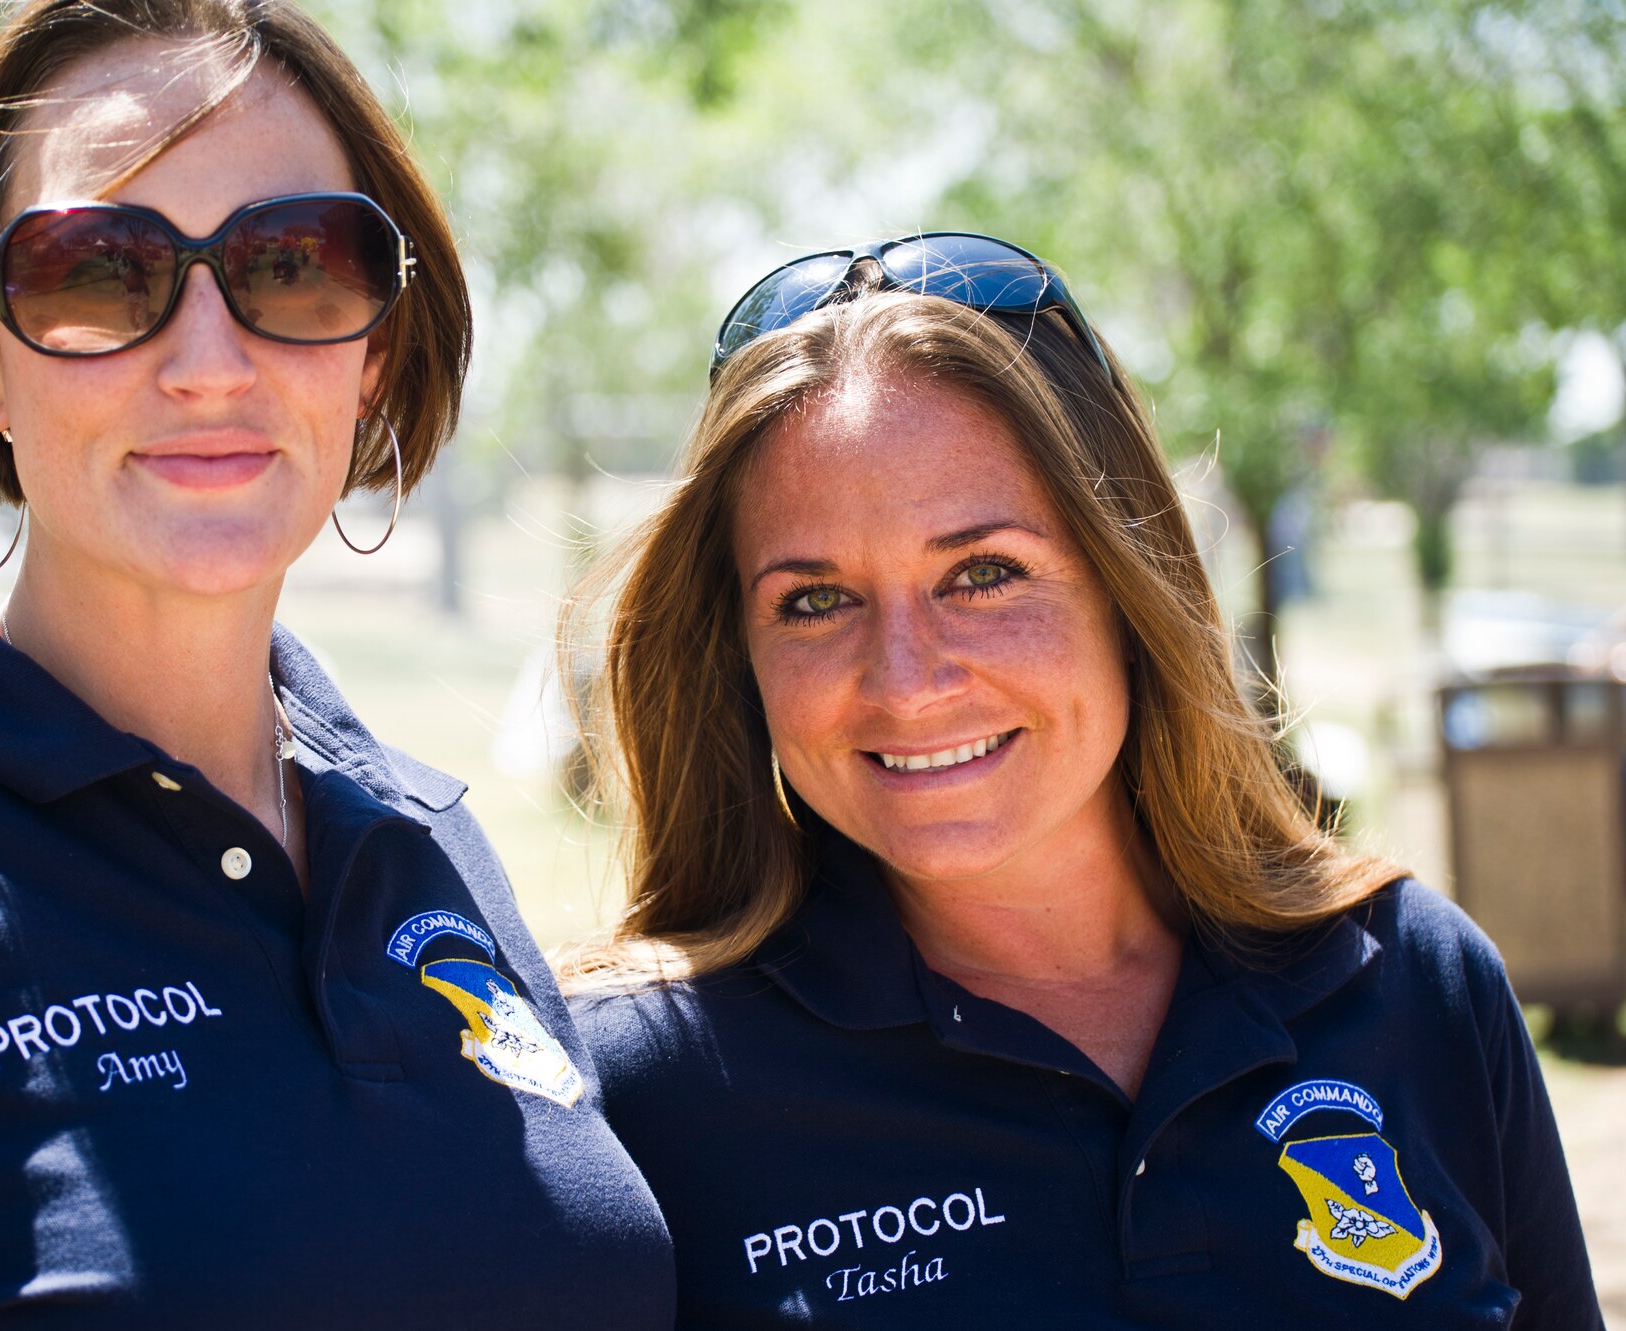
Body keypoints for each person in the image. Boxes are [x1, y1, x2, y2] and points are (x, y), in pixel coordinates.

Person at [0, 2, 672, 1325]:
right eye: (98, 271)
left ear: (373, 356)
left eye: (294, 264)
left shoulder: (427, 841)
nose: (209, 360)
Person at [564, 235, 1601, 1327]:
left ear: (1128, 582)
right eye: (813, 601)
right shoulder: (639, 1093)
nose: (905, 681)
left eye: (982, 573)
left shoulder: (1416, 984)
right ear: (737, 651)